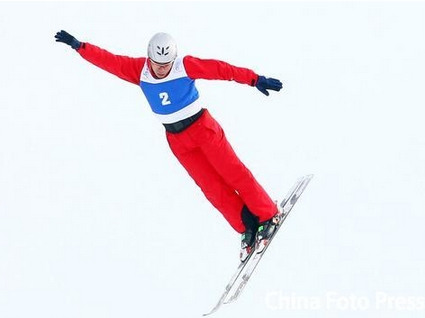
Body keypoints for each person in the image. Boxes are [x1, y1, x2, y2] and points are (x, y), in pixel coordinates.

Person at [54, 30, 283, 262]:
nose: (162, 69)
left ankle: (267, 215)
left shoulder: (184, 66)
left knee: (233, 173)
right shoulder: (140, 71)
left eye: (166, 64)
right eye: (157, 64)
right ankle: (247, 227)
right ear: (149, 58)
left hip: (202, 129)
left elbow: (222, 70)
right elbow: (110, 61)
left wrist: (254, 79)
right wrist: (79, 46)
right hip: (178, 140)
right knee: (211, 187)